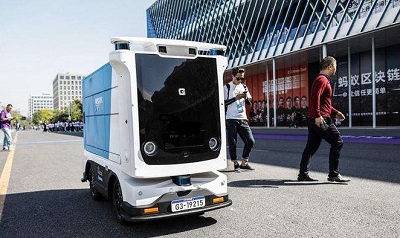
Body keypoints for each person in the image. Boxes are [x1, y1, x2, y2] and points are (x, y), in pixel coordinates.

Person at [298, 56, 350, 182]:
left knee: (311, 147)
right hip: (321, 119)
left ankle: (302, 174)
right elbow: (315, 98)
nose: (335, 70)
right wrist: (317, 116)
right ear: (330, 67)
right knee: (337, 141)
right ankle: (333, 174)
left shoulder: (321, 80)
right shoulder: (322, 80)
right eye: (335, 67)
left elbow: (324, 103)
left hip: (317, 118)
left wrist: (336, 112)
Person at [224, 67, 255, 171]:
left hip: (243, 118)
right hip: (231, 118)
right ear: (232, 76)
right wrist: (235, 98)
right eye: (238, 78)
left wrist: (246, 98)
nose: (240, 81)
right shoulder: (227, 87)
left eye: (242, 78)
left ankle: (244, 162)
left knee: (250, 141)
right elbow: (223, 103)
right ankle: (235, 163)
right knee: (233, 143)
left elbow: (249, 103)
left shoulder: (244, 86)